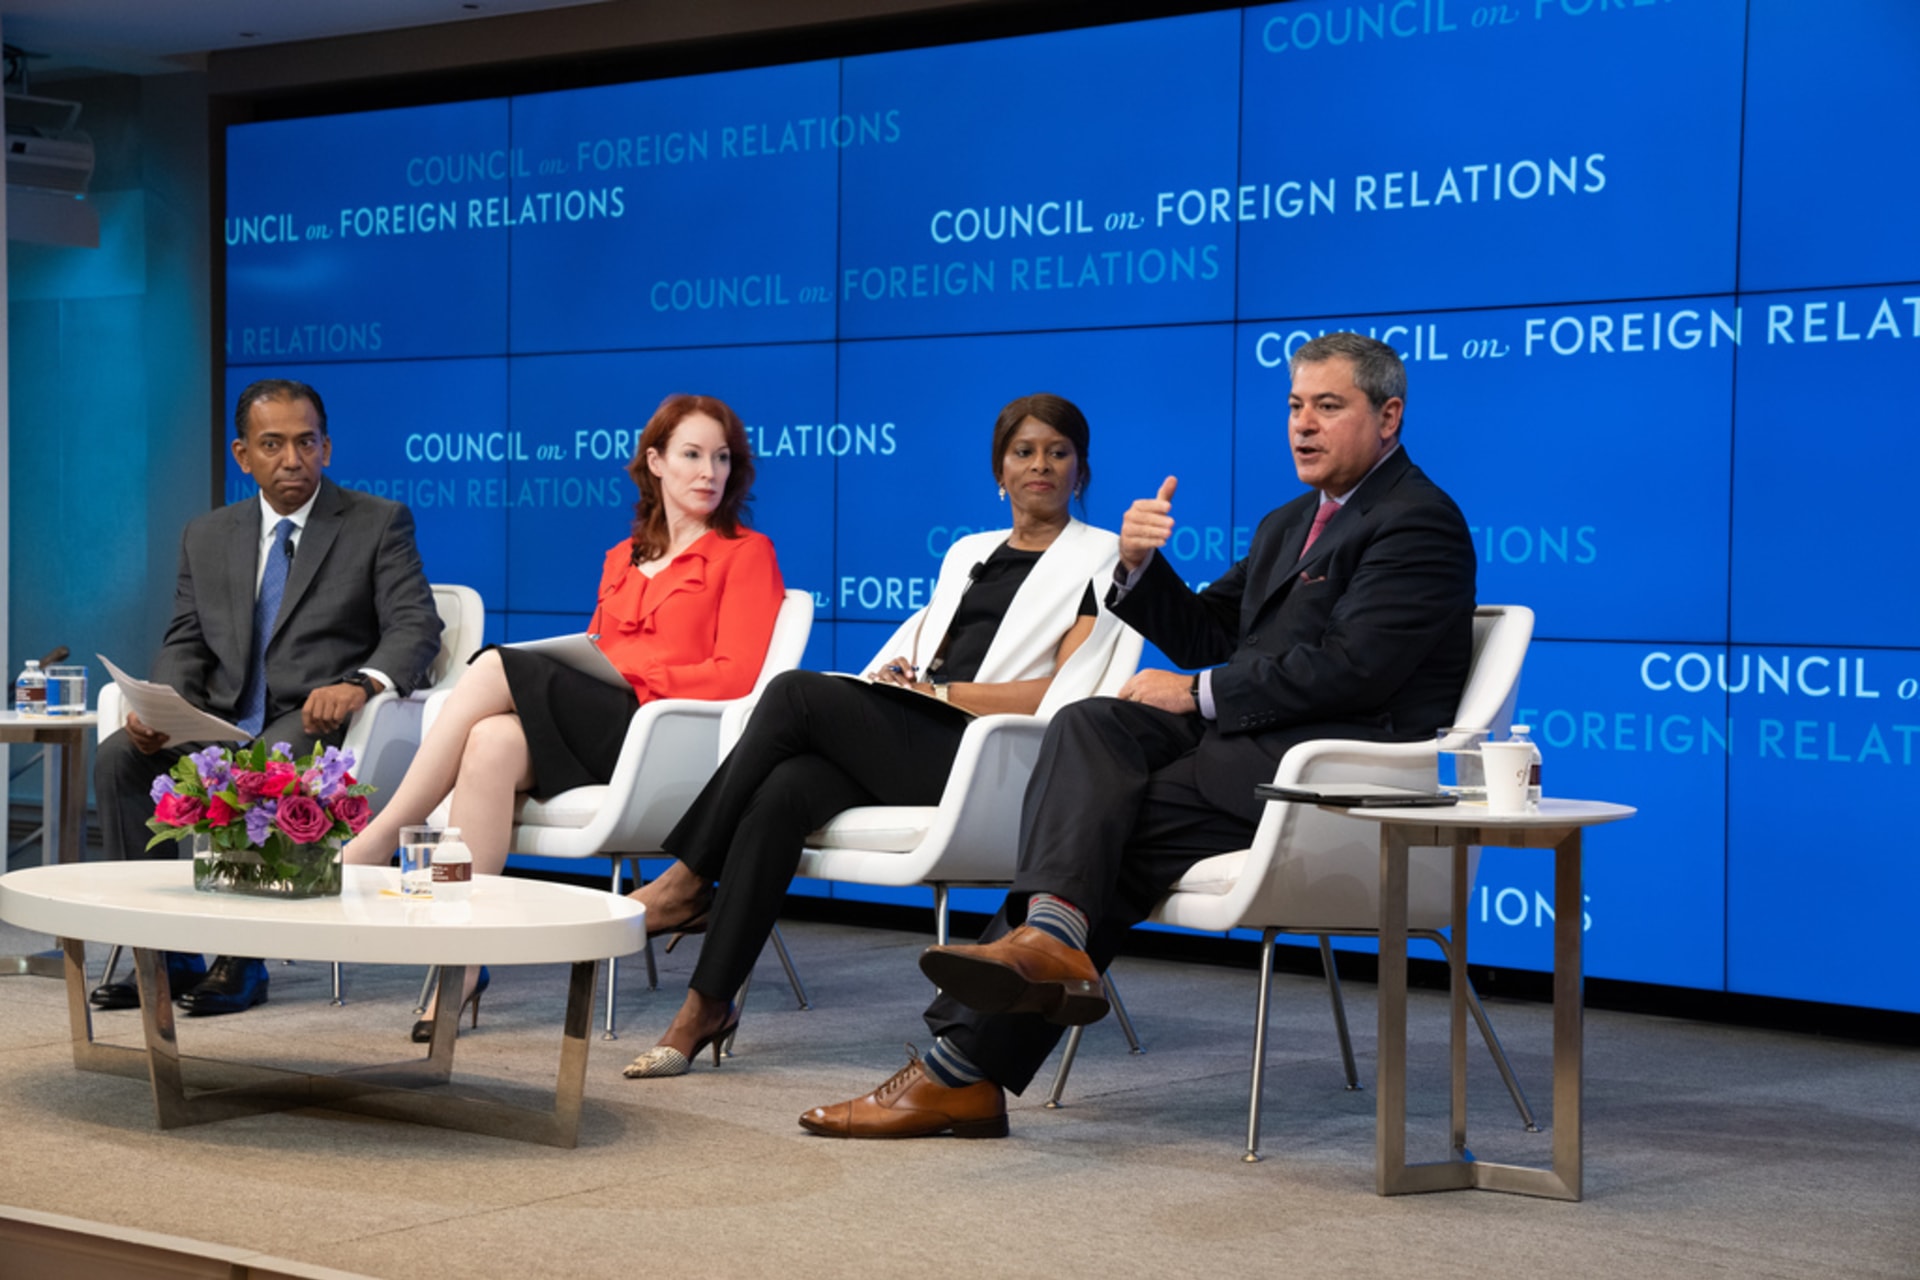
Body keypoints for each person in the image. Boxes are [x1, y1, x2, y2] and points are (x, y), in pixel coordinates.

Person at [799, 332, 1477, 1139]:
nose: (1303, 424)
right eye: (1296, 405)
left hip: (1322, 781)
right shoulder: (1290, 521)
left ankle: (961, 1065)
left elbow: (1354, 670)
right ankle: (1041, 953)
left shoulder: (1417, 522)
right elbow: (1207, 631)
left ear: (1389, 416)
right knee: (1091, 723)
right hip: (1245, 754)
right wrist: (1136, 568)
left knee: (1100, 834)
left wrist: (1197, 693)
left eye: (1328, 407)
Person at [620, 393, 1129, 1079]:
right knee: (782, 793)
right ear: (999, 471)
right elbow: (923, 649)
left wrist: (940, 694)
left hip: (992, 756)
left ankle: (685, 878)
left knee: (794, 693)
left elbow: (1065, 693)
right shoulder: (969, 551)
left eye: (1058, 453)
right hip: (921, 733)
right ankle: (704, 1007)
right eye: (1024, 452)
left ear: (1081, 470)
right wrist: (900, 678)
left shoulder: (1105, 559)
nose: (1040, 465)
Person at [342, 393, 784, 1040]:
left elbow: (738, 675)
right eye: (692, 455)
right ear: (655, 462)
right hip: (597, 724)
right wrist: (606, 666)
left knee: (495, 667)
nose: (708, 472)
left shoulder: (746, 553)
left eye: (722, 458)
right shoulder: (622, 557)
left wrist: (637, 674)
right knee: (491, 742)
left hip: (663, 739)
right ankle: (461, 963)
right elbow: (598, 648)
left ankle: (380, 836)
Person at [90, 379, 443, 1016]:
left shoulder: (376, 522)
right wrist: (162, 709)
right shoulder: (207, 534)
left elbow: (416, 626)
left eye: (306, 443)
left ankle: (242, 961)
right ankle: (159, 956)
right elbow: (187, 638)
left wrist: (361, 683)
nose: (292, 459)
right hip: (221, 717)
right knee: (122, 757)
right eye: (273, 444)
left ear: (326, 448)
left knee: (266, 764)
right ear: (243, 454)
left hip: (311, 722)